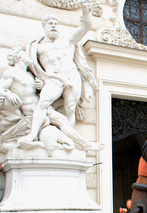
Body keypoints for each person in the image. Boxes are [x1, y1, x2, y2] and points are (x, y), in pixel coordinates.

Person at [18, 3, 97, 146]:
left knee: (70, 108)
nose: (53, 26)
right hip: (54, 78)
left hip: (72, 75)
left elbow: (86, 26)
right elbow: (30, 66)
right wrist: (41, 79)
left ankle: (68, 139)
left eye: (55, 23)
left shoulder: (68, 41)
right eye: (50, 24)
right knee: (42, 103)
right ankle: (32, 134)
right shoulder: (38, 47)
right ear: (44, 27)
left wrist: (85, 12)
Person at [0, 47, 102, 151]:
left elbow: (34, 92)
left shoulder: (29, 74)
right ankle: (33, 135)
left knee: (63, 120)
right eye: (25, 54)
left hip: (42, 107)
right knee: (61, 121)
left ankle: (84, 144)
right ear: (18, 57)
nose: (28, 55)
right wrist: (8, 94)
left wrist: (41, 85)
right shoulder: (12, 72)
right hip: (30, 111)